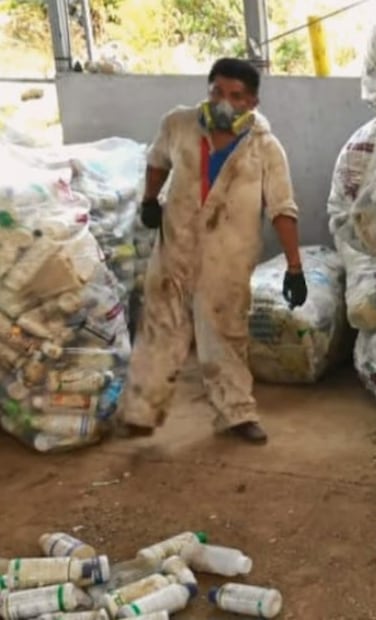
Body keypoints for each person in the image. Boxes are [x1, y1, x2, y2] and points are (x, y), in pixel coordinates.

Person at [116, 58, 307, 445]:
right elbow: (157, 161)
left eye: (235, 96)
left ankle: (236, 413)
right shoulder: (179, 125)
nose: (223, 102)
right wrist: (150, 199)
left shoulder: (266, 149)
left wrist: (294, 266)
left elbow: (282, 209)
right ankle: (141, 411)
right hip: (176, 247)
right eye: (217, 91)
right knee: (159, 325)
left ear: (252, 102)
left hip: (228, 258)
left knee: (225, 332)